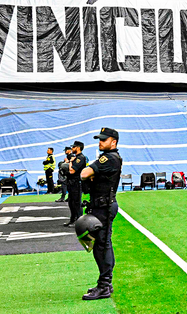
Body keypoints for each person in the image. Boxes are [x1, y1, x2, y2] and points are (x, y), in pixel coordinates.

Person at [80, 128, 122, 301]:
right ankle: (105, 283)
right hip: (100, 205)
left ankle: (104, 285)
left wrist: (89, 171)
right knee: (101, 244)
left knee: (102, 245)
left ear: (113, 142)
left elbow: (84, 173)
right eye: (100, 139)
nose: (100, 142)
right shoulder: (107, 158)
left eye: (104, 140)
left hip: (104, 207)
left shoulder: (109, 158)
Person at [64, 141, 87, 227]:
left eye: (73, 147)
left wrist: (70, 162)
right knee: (71, 202)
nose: (72, 149)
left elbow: (72, 171)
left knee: (76, 203)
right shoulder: (76, 157)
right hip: (72, 183)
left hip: (77, 183)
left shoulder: (80, 158)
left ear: (78, 148)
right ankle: (72, 219)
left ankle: (79, 222)